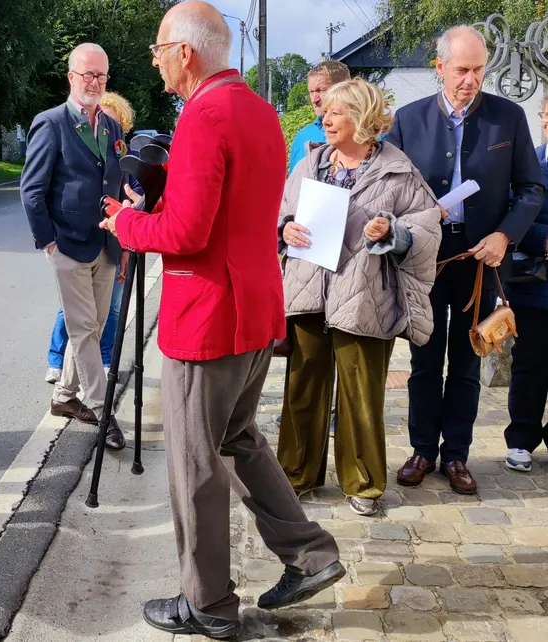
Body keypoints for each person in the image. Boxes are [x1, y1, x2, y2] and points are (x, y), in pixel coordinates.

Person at [102, 3, 344, 637]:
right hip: (255, 305)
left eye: (159, 50)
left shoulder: (205, 114)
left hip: (208, 316)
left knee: (196, 459)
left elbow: (185, 231)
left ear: (186, 52)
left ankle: (206, 603)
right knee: (237, 441)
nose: (155, 61)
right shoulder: (259, 109)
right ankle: (310, 554)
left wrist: (126, 222)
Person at [385, 25, 543, 494]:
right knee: (424, 359)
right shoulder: (409, 120)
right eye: (461, 70)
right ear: (440, 68)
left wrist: (505, 235)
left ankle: (456, 454)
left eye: (478, 69)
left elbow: (531, 189)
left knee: (469, 360)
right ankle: (421, 450)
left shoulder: (508, 117)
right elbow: (390, 189)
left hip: (481, 260)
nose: (471, 79)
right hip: (427, 259)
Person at [278, 79, 442, 516]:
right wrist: (285, 228)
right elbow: (281, 213)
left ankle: (363, 483)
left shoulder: (398, 170)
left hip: (367, 296)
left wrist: (394, 230)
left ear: (363, 119)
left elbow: (428, 227)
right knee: (302, 387)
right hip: (308, 291)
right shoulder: (309, 165)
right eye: (325, 112)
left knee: (361, 393)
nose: (325, 119)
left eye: (336, 112)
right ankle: (296, 475)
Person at [21, 43, 129, 451]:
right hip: (67, 243)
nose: (96, 82)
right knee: (84, 328)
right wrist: (48, 242)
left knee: (94, 326)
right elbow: (31, 190)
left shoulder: (113, 128)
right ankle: (102, 411)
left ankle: (64, 396)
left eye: (101, 75)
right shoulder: (50, 123)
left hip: (106, 243)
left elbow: (114, 182)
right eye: (88, 75)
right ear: (71, 77)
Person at [45, 90, 137, 384]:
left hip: (114, 242)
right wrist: (49, 242)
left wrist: (136, 204)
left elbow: (133, 188)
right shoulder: (74, 142)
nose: (102, 126)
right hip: (78, 243)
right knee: (73, 313)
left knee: (108, 310)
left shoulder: (124, 156)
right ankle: (59, 363)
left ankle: (103, 362)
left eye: (109, 120)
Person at [503, 96, 548, 473]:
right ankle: (521, 440)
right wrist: (543, 241)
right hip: (535, 286)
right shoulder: (531, 164)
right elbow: (513, 215)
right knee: (530, 366)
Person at [287, 61, 350, 175]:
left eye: (320, 90)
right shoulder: (302, 137)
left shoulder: (371, 138)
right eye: (311, 92)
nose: (314, 99)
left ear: (343, 89)